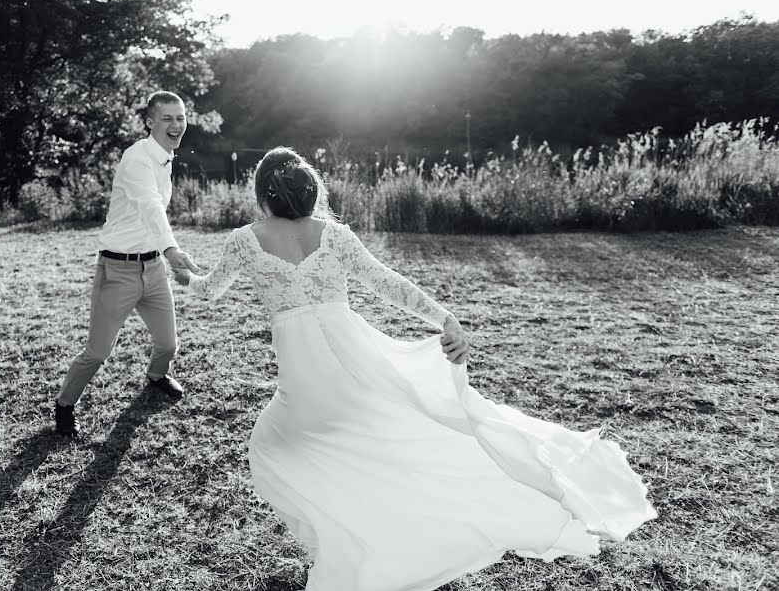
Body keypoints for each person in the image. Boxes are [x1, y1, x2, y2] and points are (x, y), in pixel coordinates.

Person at [172, 147, 657, 590]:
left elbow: (212, 290)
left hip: (306, 365)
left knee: (274, 446)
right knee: (354, 438)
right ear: (313, 190)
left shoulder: (245, 239)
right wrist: (444, 316)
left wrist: (187, 276)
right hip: (349, 352)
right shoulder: (334, 235)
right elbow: (389, 284)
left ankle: (345, 537)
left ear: (261, 196)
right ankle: (352, 531)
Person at [53, 91, 199, 436]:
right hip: (117, 270)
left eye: (180, 118)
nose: (176, 125)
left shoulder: (165, 157)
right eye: (167, 119)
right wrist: (172, 250)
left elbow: (153, 216)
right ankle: (64, 406)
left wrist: (164, 256)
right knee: (97, 352)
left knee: (168, 344)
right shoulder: (137, 159)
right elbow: (150, 206)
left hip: (152, 270)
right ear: (150, 122)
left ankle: (156, 375)